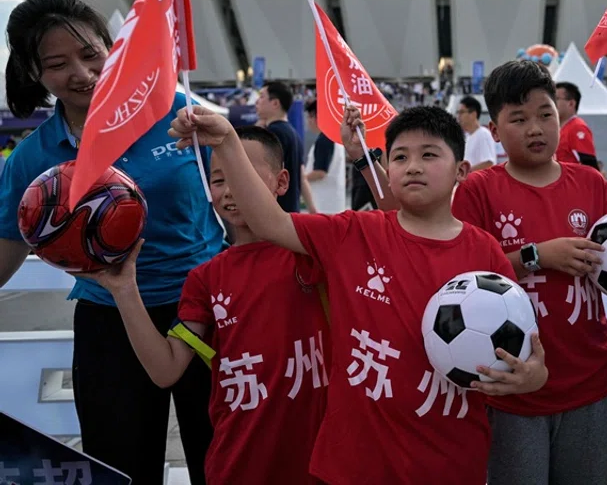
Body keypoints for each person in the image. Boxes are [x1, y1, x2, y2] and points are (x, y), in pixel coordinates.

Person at [168, 104, 548, 485]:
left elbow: (531, 360)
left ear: (461, 171)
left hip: (450, 461)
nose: (412, 166)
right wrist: (229, 143)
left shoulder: (484, 253)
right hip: (354, 466)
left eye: (429, 154)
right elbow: (271, 222)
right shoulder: (353, 233)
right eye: (400, 156)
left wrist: (531, 378)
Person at [0, 0, 221, 484]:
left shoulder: (177, 115)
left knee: (224, 460)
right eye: (57, 64)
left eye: (91, 54)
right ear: (34, 73)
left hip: (207, 311)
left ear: (113, 48)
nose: (81, 73)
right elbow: (6, 247)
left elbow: (246, 206)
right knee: (119, 466)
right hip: (108, 322)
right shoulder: (34, 159)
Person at [451, 60, 607, 485]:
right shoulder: (479, 190)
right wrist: (536, 255)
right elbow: (464, 277)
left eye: (545, 114)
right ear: (494, 131)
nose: (535, 128)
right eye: (518, 119)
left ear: (560, 115)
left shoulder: (591, 184)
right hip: (513, 391)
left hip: (588, 386)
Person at [81, 126, 329, 484]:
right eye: (218, 180)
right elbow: (166, 370)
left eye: (243, 176)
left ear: (281, 181)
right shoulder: (206, 279)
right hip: (239, 465)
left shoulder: (315, 249)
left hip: (315, 465)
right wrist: (124, 290)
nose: (231, 191)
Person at [255, 81, 306, 213]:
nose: (257, 101)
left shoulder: (273, 133)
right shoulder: (293, 133)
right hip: (290, 210)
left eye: (261, 97)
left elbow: (264, 174)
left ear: (275, 103)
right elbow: (301, 175)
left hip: (275, 212)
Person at [304, 99, 346, 214]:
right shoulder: (334, 137)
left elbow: (320, 172)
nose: (308, 121)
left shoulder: (324, 139)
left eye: (309, 117)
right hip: (332, 205)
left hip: (323, 206)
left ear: (317, 117)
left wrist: (300, 179)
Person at [554, 81, 599, 170]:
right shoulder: (560, 128)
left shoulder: (577, 127)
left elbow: (589, 163)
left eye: (556, 99)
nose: (552, 103)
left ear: (571, 103)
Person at [456, 95, 497, 172]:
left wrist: (463, 172)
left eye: (461, 112)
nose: (458, 116)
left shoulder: (483, 134)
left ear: (473, 114)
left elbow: (488, 164)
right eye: (458, 113)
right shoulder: (467, 137)